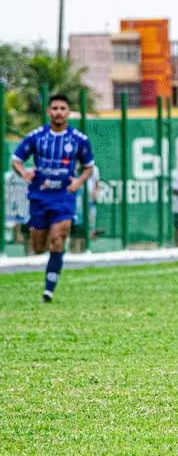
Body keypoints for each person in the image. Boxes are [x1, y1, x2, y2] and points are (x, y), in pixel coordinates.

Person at [11, 94, 95, 303]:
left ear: (68, 112)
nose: (59, 112)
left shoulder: (79, 139)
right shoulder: (36, 137)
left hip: (63, 196)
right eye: (55, 108)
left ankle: (48, 291)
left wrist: (78, 182)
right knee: (39, 246)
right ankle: (47, 246)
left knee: (58, 240)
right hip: (39, 196)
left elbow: (89, 166)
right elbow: (16, 160)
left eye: (63, 108)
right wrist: (24, 173)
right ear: (48, 111)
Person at [70, 164, 101, 253]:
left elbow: (97, 184)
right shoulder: (72, 167)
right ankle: (74, 252)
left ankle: (85, 249)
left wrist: (95, 193)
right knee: (75, 229)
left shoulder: (94, 169)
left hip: (89, 203)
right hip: (75, 202)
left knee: (87, 228)